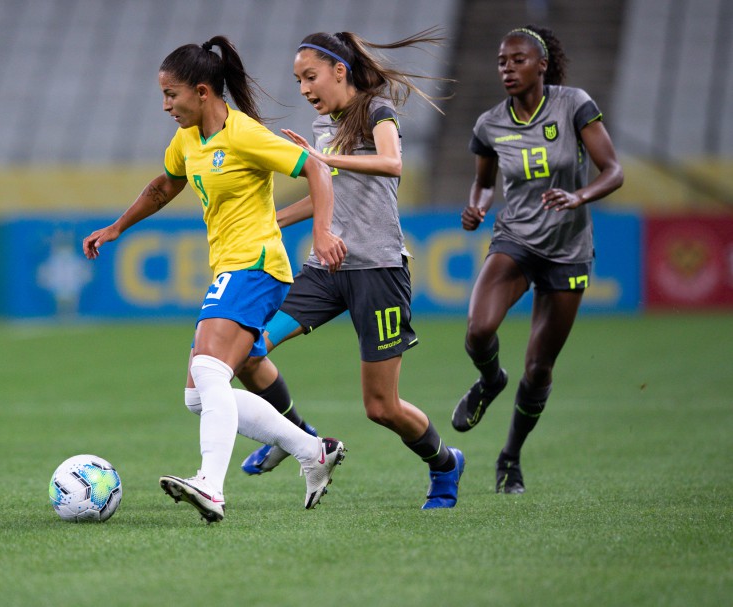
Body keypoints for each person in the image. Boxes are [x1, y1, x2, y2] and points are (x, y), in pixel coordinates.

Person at [82, 36, 349, 523]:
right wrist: (117, 227)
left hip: (258, 264)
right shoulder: (188, 138)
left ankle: (210, 485)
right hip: (231, 266)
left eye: (172, 95)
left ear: (203, 92)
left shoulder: (243, 134)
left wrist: (323, 231)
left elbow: (314, 166)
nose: (165, 105)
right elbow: (163, 185)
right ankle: (312, 450)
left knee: (209, 372)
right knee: (196, 396)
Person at [234, 30, 465, 509]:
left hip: (377, 271)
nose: (303, 88)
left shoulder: (378, 111)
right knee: (249, 350)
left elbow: (393, 163)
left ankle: (445, 463)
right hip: (326, 269)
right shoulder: (323, 128)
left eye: (310, 76)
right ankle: (300, 438)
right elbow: (326, 189)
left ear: (340, 71)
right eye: (299, 80)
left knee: (381, 408)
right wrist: (271, 220)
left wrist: (323, 158)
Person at [451, 25, 623, 493]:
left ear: (542, 64)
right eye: (503, 61)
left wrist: (578, 195)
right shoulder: (490, 124)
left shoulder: (573, 105)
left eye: (519, 60)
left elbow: (614, 170)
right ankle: (489, 381)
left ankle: (510, 457)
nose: (508, 68)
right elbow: (484, 181)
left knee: (539, 367)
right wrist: (479, 205)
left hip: (568, 251)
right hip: (516, 240)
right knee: (479, 328)